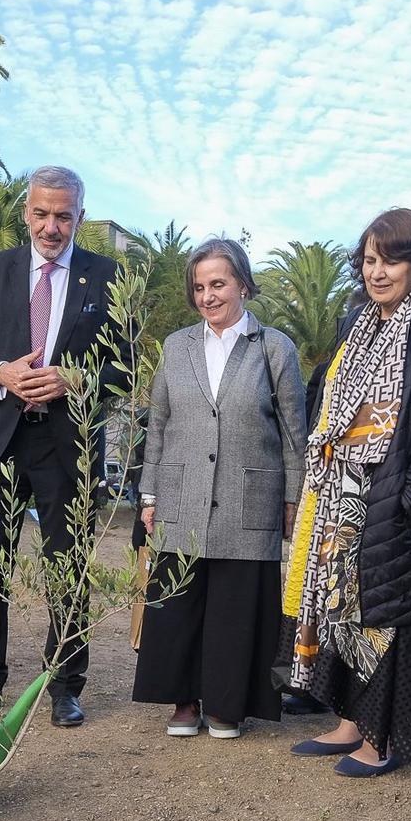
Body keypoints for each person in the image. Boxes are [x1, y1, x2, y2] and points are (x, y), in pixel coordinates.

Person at [287, 209, 411, 776]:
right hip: (339, 493)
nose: (377, 271)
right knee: (341, 609)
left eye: (390, 259)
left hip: (393, 499)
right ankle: (350, 722)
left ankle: (384, 738)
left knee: (387, 613)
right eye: (369, 260)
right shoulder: (356, 323)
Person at [0, 166, 125, 726]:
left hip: (65, 446)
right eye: (42, 214)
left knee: (68, 570)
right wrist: (2, 370)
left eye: (64, 215)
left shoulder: (106, 275)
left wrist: (74, 378)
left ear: (79, 214)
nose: (52, 227)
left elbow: (122, 372)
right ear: (26, 213)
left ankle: (63, 685)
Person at [133, 237, 307, 737]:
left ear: (244, 285)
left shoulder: (274, 347)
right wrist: (149, 494)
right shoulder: (176, 345)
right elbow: (159, 424)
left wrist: (294, 496)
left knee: (236, 607)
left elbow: (295, 433)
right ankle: (183, 702)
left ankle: (229, 705)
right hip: (181, 493)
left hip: (249, 494)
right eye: (199, 287)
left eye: (218, 284)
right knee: (179, 603)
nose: (207, 296)